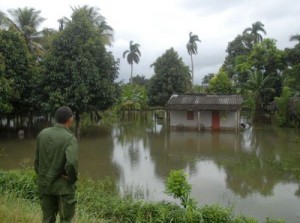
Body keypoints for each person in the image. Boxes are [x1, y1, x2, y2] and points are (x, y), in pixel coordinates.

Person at [34, 106, 79, 223]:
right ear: (69, 119)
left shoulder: (42, 134)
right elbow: (71, 164)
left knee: (47, 219)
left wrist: (45, 176)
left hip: (45, 185)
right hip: (63, 187)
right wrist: (72, 178)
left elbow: (37, 163)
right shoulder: (70, 138)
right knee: (66, 219)